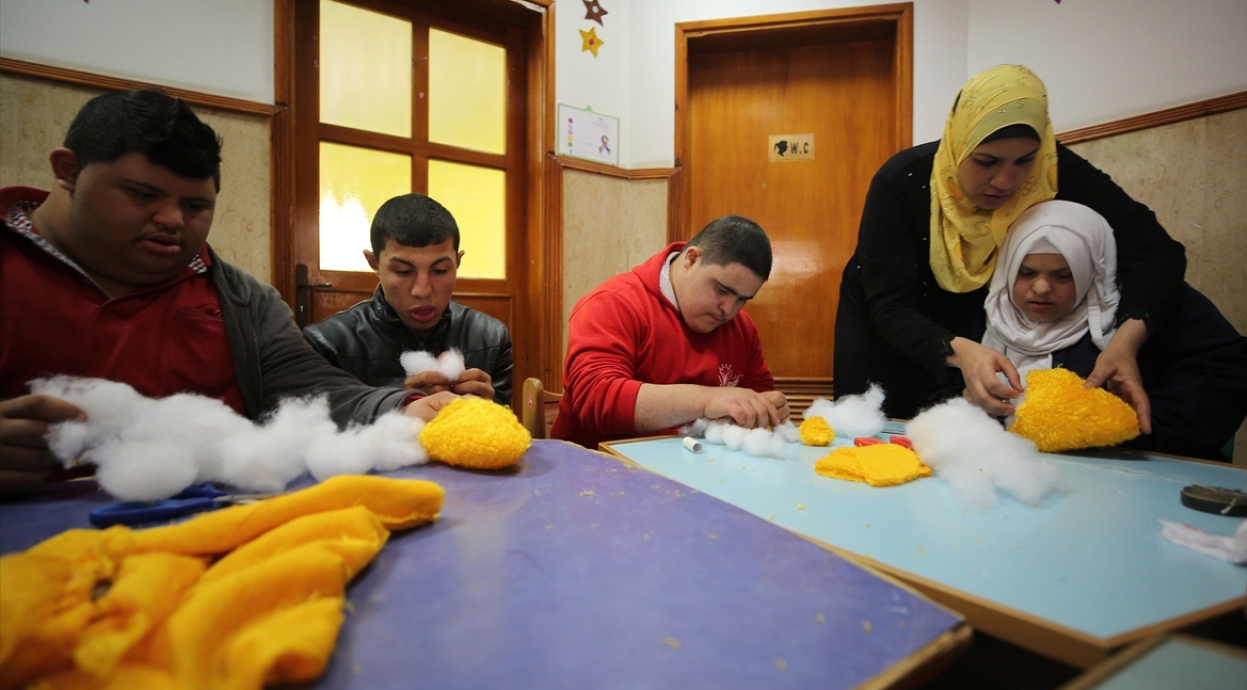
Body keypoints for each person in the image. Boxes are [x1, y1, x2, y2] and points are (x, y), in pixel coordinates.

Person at [0, 90, 455, 494]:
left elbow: (316, 393)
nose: (173, 220)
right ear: (68, 171)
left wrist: (408, 406)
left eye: (195, 205)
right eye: (143, 195)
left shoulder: (242, 300)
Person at [833, 64, 1186, 429]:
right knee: (885, 433)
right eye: (986, 161)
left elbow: (1156, 251)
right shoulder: (901, 181)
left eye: (1024, 161)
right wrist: (962, 353)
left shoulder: (1052, 169)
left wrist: (1125, 342)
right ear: (959, 142)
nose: (1005, 180)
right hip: (894, 324)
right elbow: (890, 306)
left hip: (976, 323)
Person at [977, 200, 1247, 461]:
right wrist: (976, 403)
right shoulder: (991, 316)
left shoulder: (1152, 304)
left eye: (1064, 275)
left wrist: (1123, 426)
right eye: (1026, 273)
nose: (1041, 289)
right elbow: (948, 387)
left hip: (1140, 472)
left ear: (1092, 271)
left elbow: (1223, 379)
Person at [551, 215, 788, 449]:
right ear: (692, 259)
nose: (728, 309)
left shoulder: (742, 328)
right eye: (721, 290)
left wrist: (765, 407)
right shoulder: (612, 303)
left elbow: (757, 392)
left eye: (742, 300)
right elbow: (598, 400)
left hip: (699, 471)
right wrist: (707, 399)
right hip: (597, 472)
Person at [303, 194, 514, 405]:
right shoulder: (327, 344)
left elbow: (504, 431)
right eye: (404, 271)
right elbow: (313, 432)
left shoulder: (491, 339)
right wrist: (399, 403)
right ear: (375, 263)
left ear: (457, 263)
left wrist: (489, 412)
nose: (422, 291)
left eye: (440, 271)